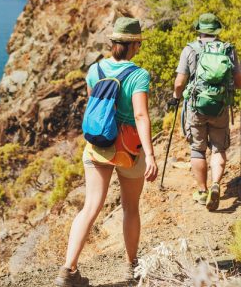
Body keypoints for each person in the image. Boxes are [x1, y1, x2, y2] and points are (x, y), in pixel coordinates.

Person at [55, 17, 158, 286]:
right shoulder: (139, 75)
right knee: (130, 208)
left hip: (99, 145)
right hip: (129, 149)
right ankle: (130, 268)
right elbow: (140, 115)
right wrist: (151, 154)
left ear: (113, 43)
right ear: (135, 44)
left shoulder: (95, 69)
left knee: (90, 207)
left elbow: (94, 104)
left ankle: (68, 270)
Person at [169, 13, 241, 211]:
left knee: (197, 149)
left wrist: (176, 98)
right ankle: (215, 184)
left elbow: (179, 82)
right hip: (220, 105)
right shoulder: (229, 50)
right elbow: (239, 83)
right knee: (218, 148)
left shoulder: (190, 50)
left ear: (200, 30)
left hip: (196, 106)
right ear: (217, 31)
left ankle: (202, 192)